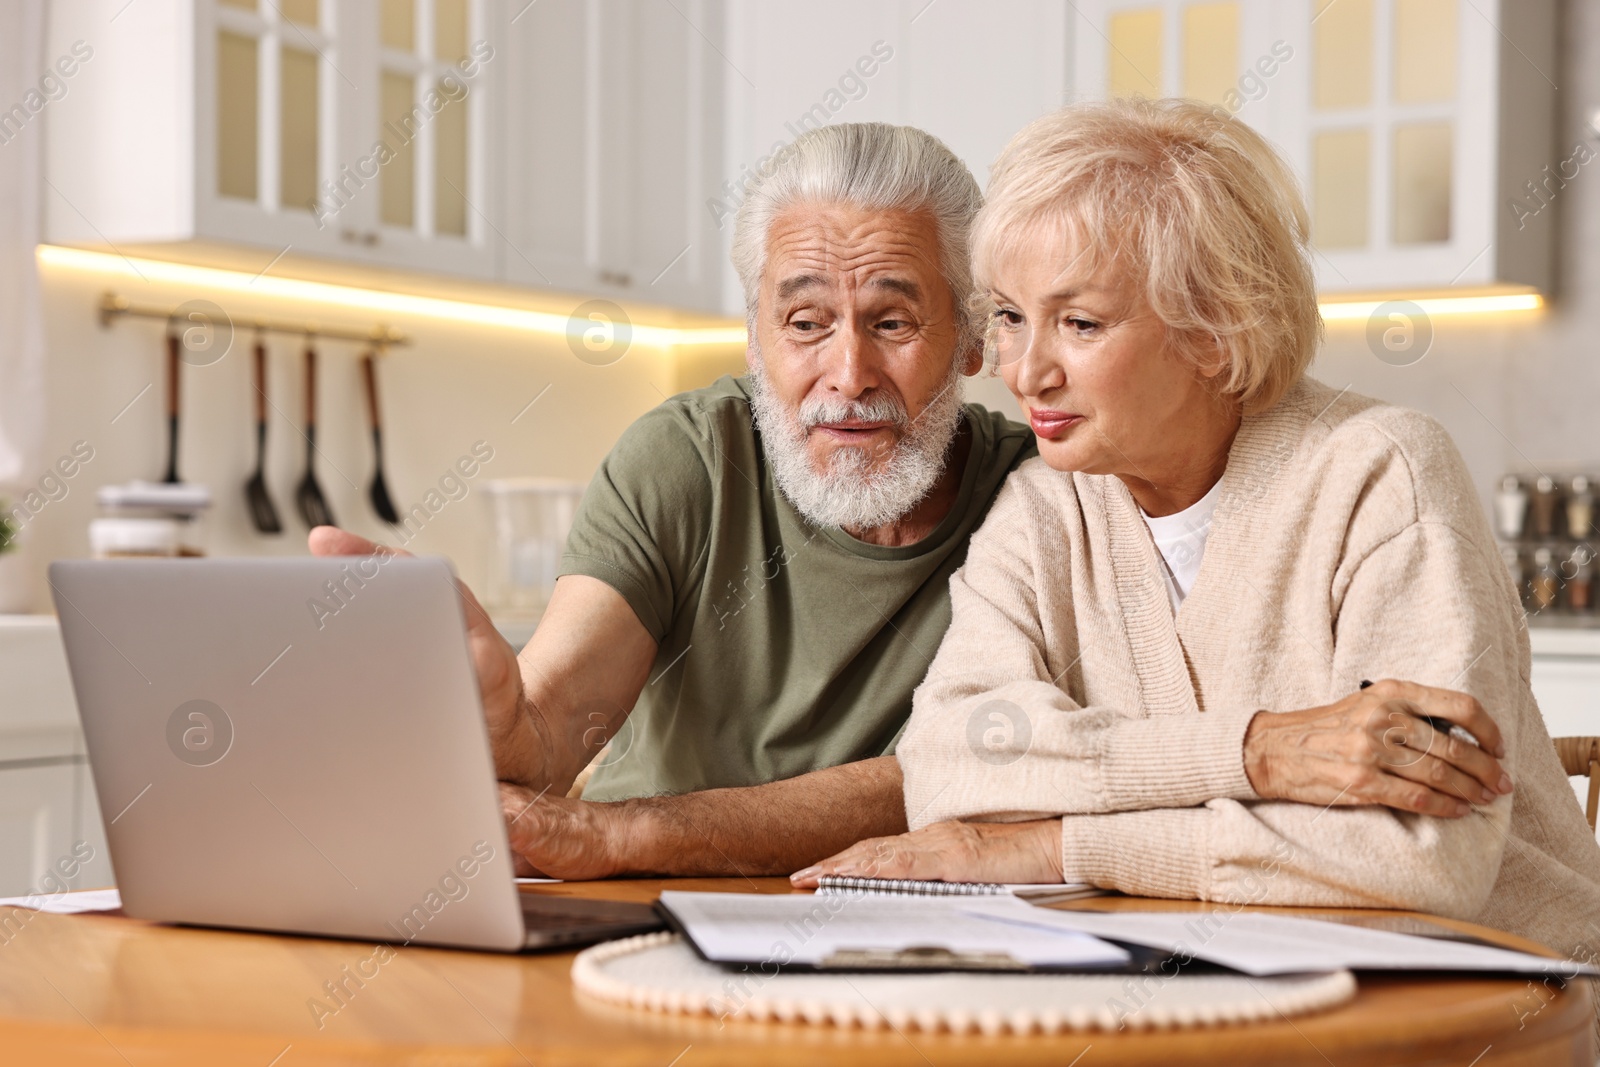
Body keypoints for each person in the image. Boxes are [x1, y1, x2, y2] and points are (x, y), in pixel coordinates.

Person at [795, 99, 1600, 979]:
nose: (1027, 371)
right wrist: (1257, 751)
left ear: (1217, 331)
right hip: (1225, 992)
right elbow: (949, 763)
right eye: (1013, 316)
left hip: (1492, 1003)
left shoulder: (1380, 471)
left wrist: (1058, 844)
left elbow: (1416, 859)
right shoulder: (1043, 507)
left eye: (1082, 323)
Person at [311, 122, 1034, 878]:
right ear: (756, 342)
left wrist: (629, 834)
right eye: (805, 323)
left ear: (972, 338)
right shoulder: (686, 460)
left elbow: (962, 775)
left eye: (891, 322)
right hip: (626, 902)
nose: (848, 372)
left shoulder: (1038, 501)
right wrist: (506, 726)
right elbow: (552, 731)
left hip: (881, 928)